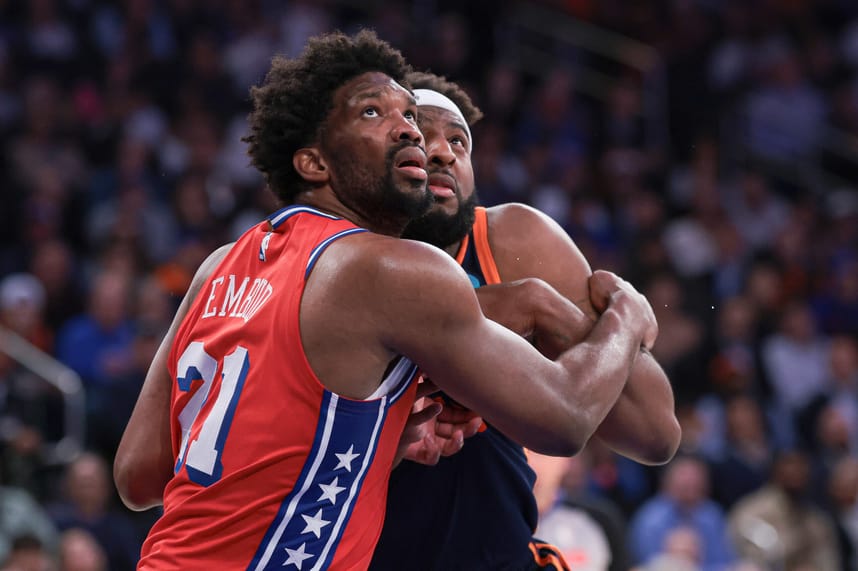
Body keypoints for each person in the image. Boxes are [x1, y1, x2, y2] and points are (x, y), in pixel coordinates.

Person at [114, 30, 658, 569]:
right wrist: (627, 314)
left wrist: (375, 444)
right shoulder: (386, 268)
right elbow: (564, 418)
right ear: (313, 163)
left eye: (407, 115)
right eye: (373, 113)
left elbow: (138, 475)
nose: (410, 133)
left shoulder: (219, 266)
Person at [370, 71, 680, 570]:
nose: (444, 152)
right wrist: (523, 309)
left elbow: (655, 431)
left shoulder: (512, 239)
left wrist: (609, 316)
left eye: (458, 141)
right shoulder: (337, 250)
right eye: (420, 134)